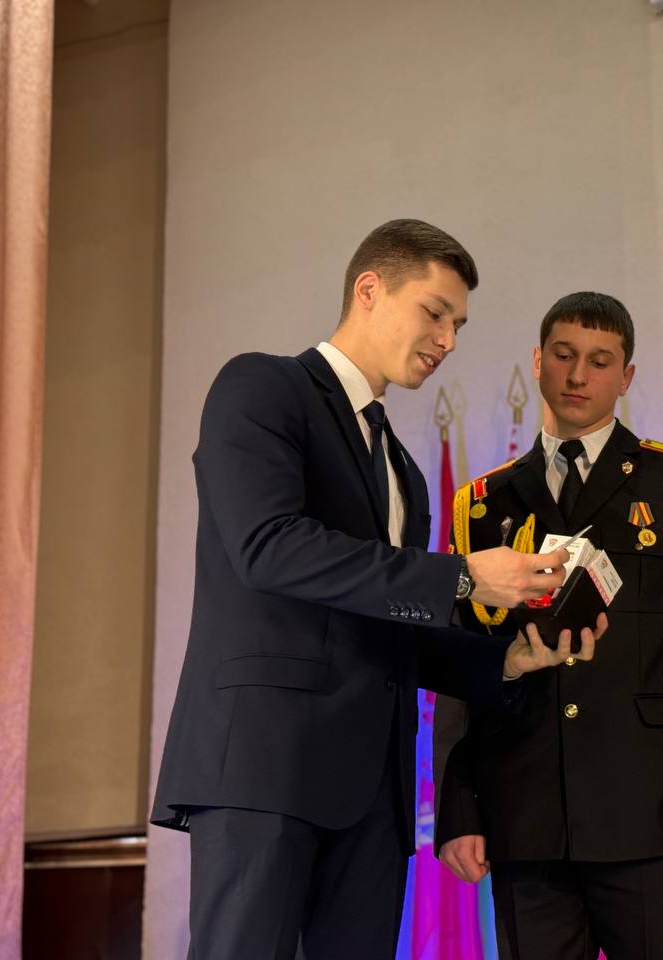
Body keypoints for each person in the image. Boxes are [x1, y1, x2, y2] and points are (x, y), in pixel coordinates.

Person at [150, 219, 604, 960]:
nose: (448, 340)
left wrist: (505, 660)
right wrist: (464, 574)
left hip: (373, 793)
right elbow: (269, 548)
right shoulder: (260, 386)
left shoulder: (405, 470)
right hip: (265, 768)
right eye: (435, 312)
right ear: (369, 289)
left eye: (458, 325)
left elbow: (387, 622)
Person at [433, 292, 663, 960]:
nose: (578, 375)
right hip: (524, 815)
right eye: (564, 355)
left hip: (649, 814)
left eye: (600, 361)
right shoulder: (484, 504)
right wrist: (459, 809)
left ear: (626, 377)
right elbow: (461, 668)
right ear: (538, 362)